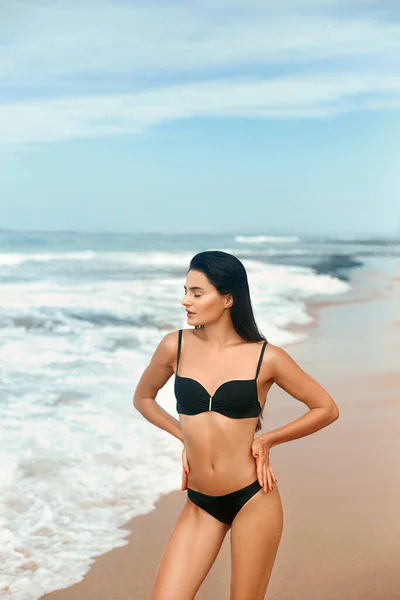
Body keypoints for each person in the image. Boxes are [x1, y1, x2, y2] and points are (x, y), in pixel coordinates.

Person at [133, 250, 339, 600]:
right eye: (186, 291)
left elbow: (325, 408)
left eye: (197, 293)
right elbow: (144, 398)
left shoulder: (267, 356)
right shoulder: (175, 345)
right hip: (200, 503)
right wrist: (183, 435)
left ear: (228, 298)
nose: (186, 301)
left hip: (253, 499)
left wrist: (268, 440)